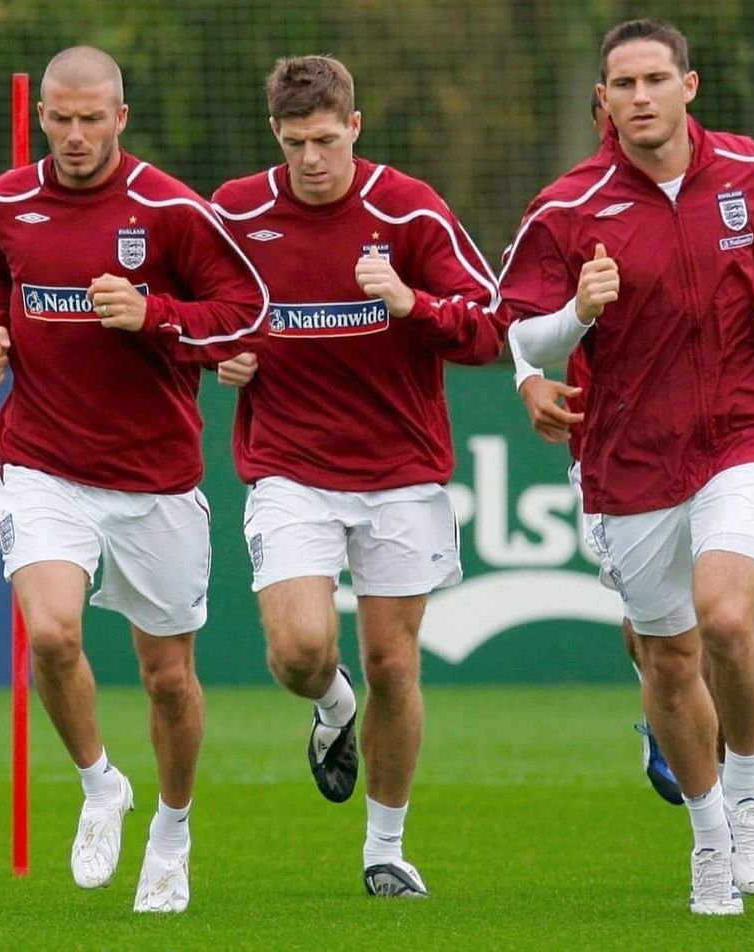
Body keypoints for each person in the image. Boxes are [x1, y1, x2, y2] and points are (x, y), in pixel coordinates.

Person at [499, 18, 754, 915]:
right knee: (665, 660)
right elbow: (517, 327)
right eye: (621, 85)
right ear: (602, 100)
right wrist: (575, 321)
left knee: (723, 617)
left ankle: (747, 784)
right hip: (628, 457)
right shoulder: (565, 208)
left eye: (653, 80)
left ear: (688, 86)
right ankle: (708, 837)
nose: (639, 98)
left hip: (747, 428)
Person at [0, 46, 269, 913]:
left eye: (90, 118)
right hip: (41, 464)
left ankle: (171, 832)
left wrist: (154, 315)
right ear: (41, 117)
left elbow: (243, 315)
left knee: (168, 677)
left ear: (121, 117)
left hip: (155, 479)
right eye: (58, 118)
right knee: (53, 634)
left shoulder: (172, 209)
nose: (73, 134)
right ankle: (102, 786)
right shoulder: (1, 202)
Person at [211, 55, 507, 898]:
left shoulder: (408, 209)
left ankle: (385, 848)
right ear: (276, 134)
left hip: (401, 471)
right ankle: (329, 707)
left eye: (326, 139)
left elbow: (489, 327)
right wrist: (217, 351)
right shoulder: (234, 212)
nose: (311, 158)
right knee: (301, 650)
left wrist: (413, 304)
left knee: (395, 665)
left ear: (355, 126)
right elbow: (182, 313)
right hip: (289, 468)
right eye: (296, 141)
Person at [511, 87, 684, 806]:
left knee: (719, 610)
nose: (629, 113)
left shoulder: (716, 184)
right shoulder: (572, 205)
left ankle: (733, 775)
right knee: (652, 619)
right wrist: (527, 378)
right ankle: (662, 706)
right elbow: (518, 312)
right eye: (613, 104)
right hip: (617, 439)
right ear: (599, 115)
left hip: (729, 434)